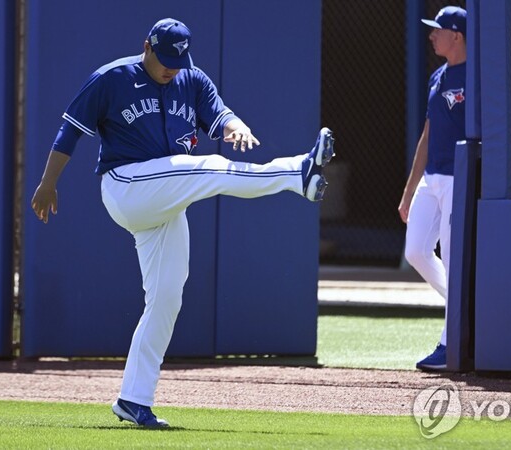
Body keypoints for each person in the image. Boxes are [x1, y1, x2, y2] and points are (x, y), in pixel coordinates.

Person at [30, 18, 334, 428]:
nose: (171, 68)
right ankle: (296, 173)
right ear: (147, 47)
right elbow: (70, 131)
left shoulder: (191, 79)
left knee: (166, 299)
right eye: (165, 60)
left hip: (164, 200)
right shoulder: (111, 78)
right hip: (126, 185)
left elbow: (219, 114)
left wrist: (237, 126)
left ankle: (133, 399)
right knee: (206, 168)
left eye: (178, 60)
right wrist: (48, 183)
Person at [398, 6, 466, 372]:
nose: (431, 35)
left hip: (459, 178)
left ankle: (450, 341)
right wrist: (409, 191)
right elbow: (427, 135)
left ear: (456, 35)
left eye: (438, 30)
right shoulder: (438, 76)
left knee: (453, 259)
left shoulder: (476, 76)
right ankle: (465, 311)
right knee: (416, 251)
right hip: (432, 177)